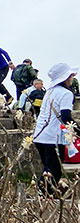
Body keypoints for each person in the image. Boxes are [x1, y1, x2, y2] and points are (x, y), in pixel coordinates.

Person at [32, 63, 77, 196]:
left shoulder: (49, 92)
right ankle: (43, 197)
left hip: (39, 135)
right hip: (53, 137)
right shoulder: (66, 94)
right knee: (54, 170)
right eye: (71, 75)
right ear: (66, 77)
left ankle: (44, 196)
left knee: (48, 169)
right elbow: (66, 117)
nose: (73, 78)